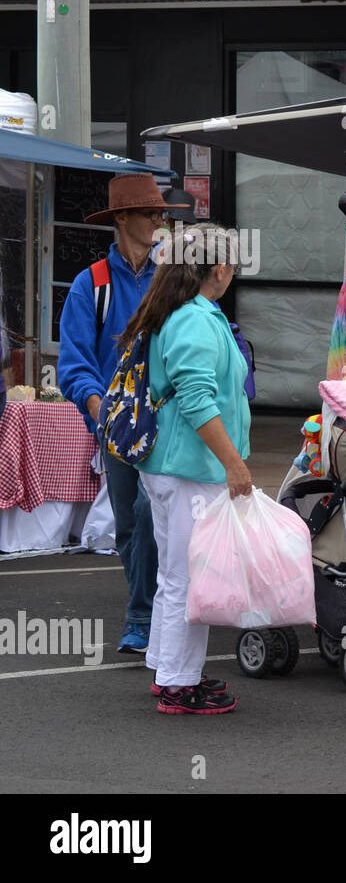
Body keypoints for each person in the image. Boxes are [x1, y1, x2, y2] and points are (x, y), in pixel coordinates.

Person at [118, 223, 250, 714]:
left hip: (173, 466)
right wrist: (234, 464)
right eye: (233, 263)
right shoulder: (195, 319)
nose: (234, 271)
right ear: (218, 268)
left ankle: (168, 668)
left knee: (176, 576)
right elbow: (198, 401)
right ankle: (178, 683)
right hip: (191, 469)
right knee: (192, 580)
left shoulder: (185, 312)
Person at [58, 173, 167, 655]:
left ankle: (147, 614)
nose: (159, 222)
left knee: (151, 514)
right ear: (122, 219)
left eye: (162, 214)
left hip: (170, 420)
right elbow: (74, 364)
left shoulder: (172, 276)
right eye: (151, 214)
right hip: (118, 429)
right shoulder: (90, 284)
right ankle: (149, 610)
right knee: (130, 525)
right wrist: (104, 413)